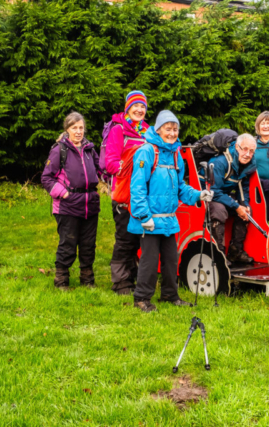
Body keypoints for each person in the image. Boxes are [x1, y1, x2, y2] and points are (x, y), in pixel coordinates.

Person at [128, 111, 213, 312]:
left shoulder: (175, 154)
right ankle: (141, 298)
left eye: (175, 129)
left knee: (170, 259)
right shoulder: (147, 152)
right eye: (168, 128)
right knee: (149, 261)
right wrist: (143, 216)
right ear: (158, 130)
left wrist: (198, 195)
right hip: (149, 220)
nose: (172, 133)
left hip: (168, 220)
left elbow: (180, 188)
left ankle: (169, 294)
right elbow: (137, 186)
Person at [41, 112, 101, 291]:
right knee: (68, 243)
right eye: (74, 128)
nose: (78, 131)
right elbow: (47, 178)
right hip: (68, 205)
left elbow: (101, 169)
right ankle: (61, 281)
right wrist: (64, 194)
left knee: (88, 244)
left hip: (90, 203)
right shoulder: (60, 149)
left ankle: (87, 279)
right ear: (67, 129)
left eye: (81, 127)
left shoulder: (90, 149)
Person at [104, 90, 150, 295]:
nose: (139, 110)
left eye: (143, 107)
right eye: (136, 106)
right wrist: (125, 167)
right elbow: (110, 162)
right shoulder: (118, 130)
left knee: (139, 237)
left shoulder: (148, 131)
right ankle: (120, 282)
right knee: (124, 238)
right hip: (124, 193)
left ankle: (133, 277)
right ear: (128, 108)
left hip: (143, 194)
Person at [208, 133, 258, 265]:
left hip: (223, 195)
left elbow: (243, 188)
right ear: (236, 147)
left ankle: (235, 251)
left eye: (251, 151)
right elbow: (214, 191)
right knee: (219, 210)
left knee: (247, 212)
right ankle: (218, 254)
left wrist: (244, 205)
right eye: (244, 149)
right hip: (206, 195)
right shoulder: (219, 162)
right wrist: (236, 207)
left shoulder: (247, 165)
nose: (247, 154)